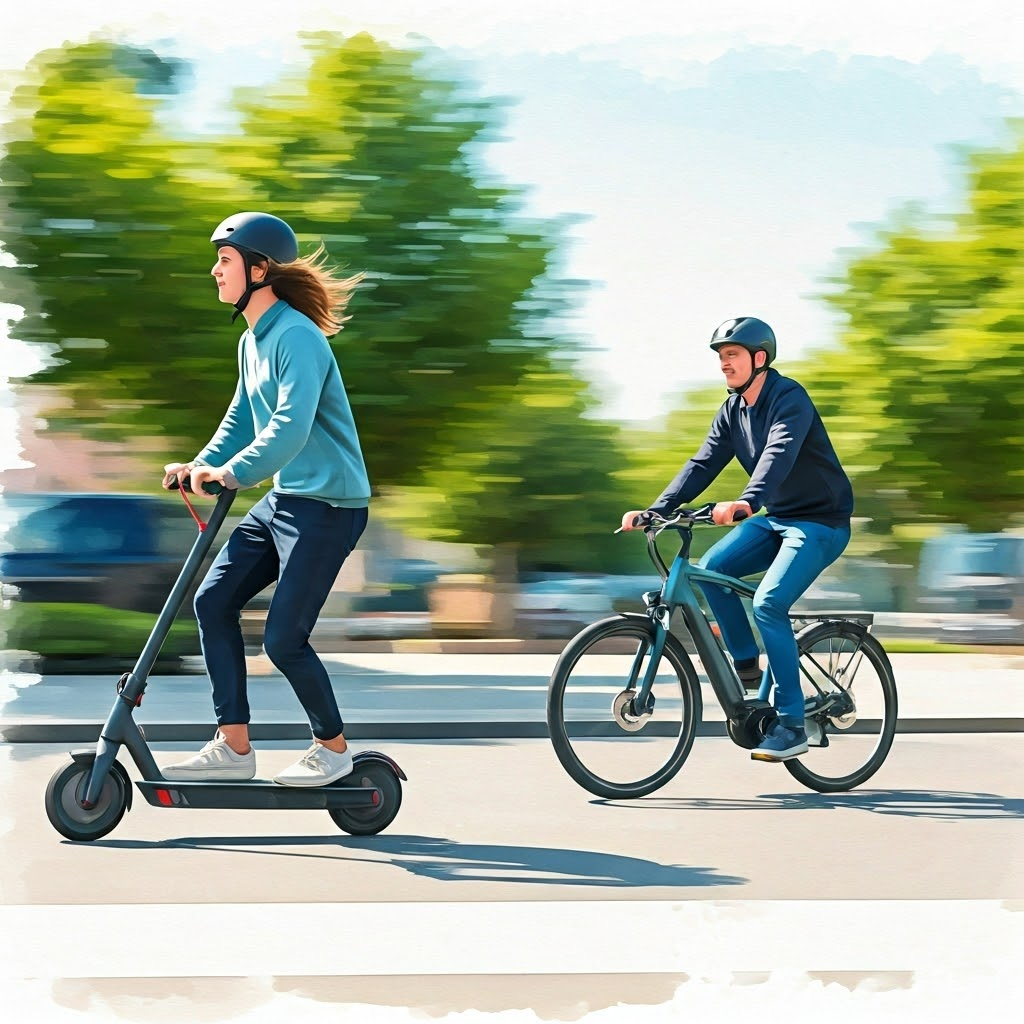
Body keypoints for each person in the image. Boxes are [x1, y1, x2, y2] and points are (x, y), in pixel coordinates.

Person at [162, 211, 370, 787]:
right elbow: (240, 418)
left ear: (260, 270)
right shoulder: (253, 340)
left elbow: (290, 424)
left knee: (282, 639)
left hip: (328, 508)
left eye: (224, 261)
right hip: (285, 501)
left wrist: (235, 473)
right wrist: (202, 464)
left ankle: (333, 750)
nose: (215, 270)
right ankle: (234, 745)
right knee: (212, 601)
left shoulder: (297, 336)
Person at [620, 317, 853, 762]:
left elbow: (778, 454)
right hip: (778, 519)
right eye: (721, 357)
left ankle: (790, 724)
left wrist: (746, 501)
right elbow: (702, 463)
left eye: (732, 355)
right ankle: (747, 666)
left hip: (820, 523)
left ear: (759, 358)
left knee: (768, 604)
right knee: (710, 572)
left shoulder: (790, 398)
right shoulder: (732, 410)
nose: (724, 364)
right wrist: (658, 509)